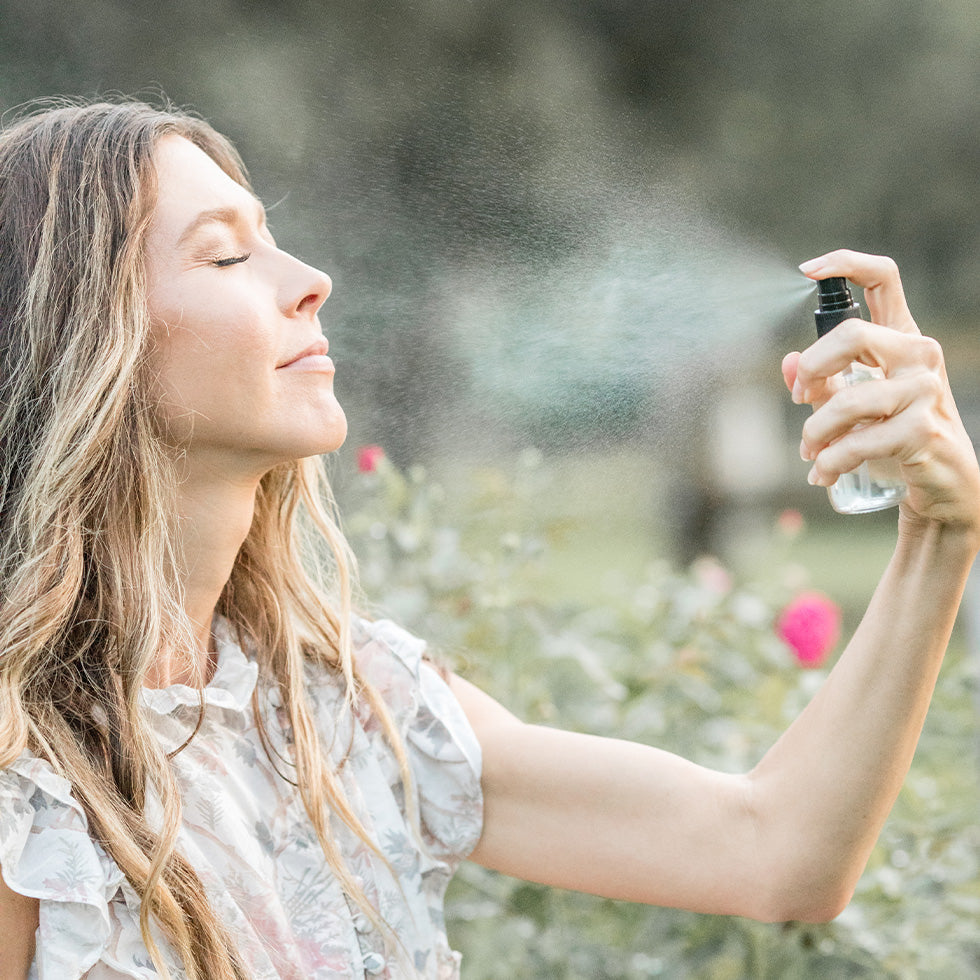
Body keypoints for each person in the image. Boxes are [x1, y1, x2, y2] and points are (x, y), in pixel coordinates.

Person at [0, 98, 977, 980]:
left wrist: (940, 533)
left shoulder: (345, 710)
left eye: (275, 239)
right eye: (224, 254)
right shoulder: (24, 794)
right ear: (84, 341)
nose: (310, 280)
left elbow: (775, 852)